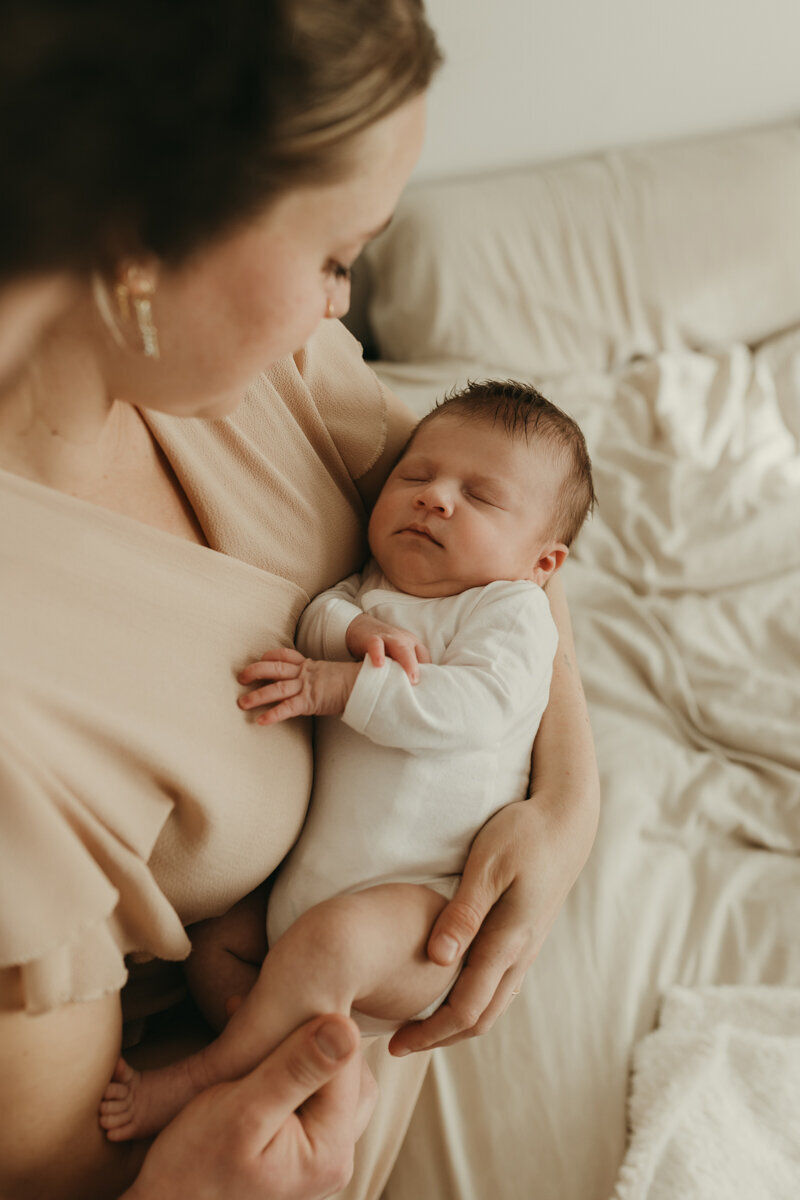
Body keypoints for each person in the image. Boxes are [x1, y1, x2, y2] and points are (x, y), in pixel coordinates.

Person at [0, 4, 600, 1199]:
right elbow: (68, 1164)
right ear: (143, 242)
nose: (343, 308)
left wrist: (570, 798)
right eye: (336, 257)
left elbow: (509, 542)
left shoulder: (239, 354)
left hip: (415, 1014)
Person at [97, 380, 596, 1141]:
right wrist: (350, 631)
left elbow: (472, 711)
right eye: (416, 476)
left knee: (329, 948)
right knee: (219, 945)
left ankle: (206, 1074)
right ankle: (281, 1056)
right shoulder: (372, 585)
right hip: (306, 904)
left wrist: (339, 685)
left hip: (421, 911)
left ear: (544, 563)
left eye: (481, 497)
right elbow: (318, 613)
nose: (436, 500)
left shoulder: (512, 613)